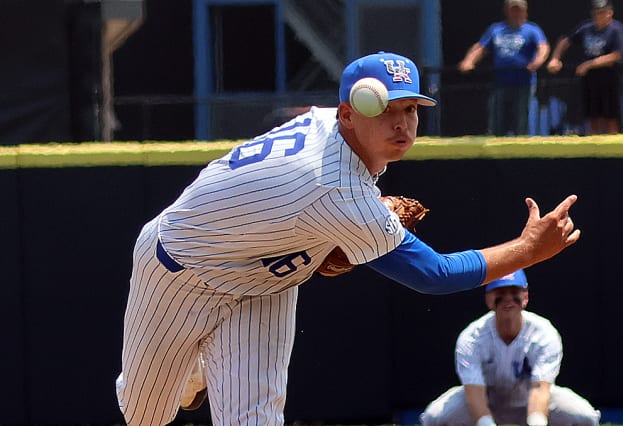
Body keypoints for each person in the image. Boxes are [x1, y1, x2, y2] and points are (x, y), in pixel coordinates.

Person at [115, 51, 581, 426]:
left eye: (410, 109)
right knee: (146, 416)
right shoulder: (336, 188)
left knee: (254, 421)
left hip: (265, 280)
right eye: (385, 109)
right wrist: (528, 251)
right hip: (180, 270)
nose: (401, 123)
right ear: (347, 114)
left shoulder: (330, 129)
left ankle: (195, 363)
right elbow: (434, 276)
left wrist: (319, 241)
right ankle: (186, 369)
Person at [420, 269, 601, 426]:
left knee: (585, 417)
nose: (507, 298)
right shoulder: (472, 337)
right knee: (433, 418)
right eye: (500, 291)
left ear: (525, 296)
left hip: (529, 402)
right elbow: (474, 392)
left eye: (514, 291)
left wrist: (537, 423)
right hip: (486, 401)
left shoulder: (544, 333)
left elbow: (540, 388)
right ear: (489, 298)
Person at [458, 0, 549, 136]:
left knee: (521, 119)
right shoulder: (496, 29)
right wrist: (469, 61)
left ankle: (521, 147)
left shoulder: (532, 30)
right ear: (507, 10)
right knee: (496, 117)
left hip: (524, 82)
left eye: (519, 10)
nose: (516, 13)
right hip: (500, 82)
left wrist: (537, 61)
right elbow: (481, 48)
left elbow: (543, 46)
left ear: (525, 11)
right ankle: (496, 149)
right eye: (513, 9)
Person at [546, 0, 623, 135]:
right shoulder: (586, 28)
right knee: (592, 117)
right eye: (596, 13)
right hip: (589, 79)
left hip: (608, 77)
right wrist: (555, 58)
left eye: (603, 13)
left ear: (610, 13)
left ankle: (614, 150)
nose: (599, 16)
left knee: (610, 117)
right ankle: (593, 150)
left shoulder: (617, 29)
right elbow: (566, 40)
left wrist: (590, 64)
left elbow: (617, 54)